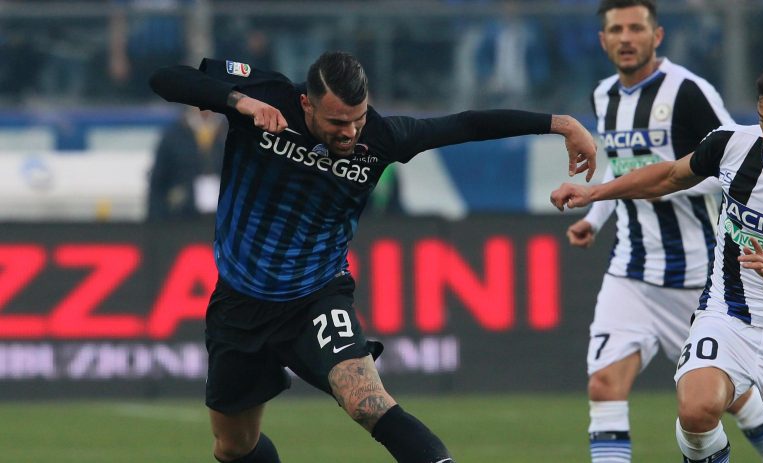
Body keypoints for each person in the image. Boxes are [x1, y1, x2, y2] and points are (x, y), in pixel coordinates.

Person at [150, 51, 597, 463]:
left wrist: (559, 123)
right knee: (233, 446)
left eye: (357, 120)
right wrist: (237, 102)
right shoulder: (267, 98)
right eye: (336, 122)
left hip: (316, 296)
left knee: (367, 402)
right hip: (240, 302)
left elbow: (466, 125)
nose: (349, 132)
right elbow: (166, 78)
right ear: (306, 104)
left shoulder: (383, 139)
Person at [552, 51, 763, 463]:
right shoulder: (732, 143)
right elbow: (667, 175)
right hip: (727, 316)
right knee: (696, 408)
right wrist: (595, 194)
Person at [570, 2, 763, 463]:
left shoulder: (689, 92)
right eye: (616, 29)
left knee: (732, 398)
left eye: (636, 28)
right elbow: (619, 163)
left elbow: (736, 165)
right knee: (604, 384)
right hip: (630, 272)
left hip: (697, 279)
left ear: (658, 35)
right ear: (603, 40)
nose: (626, 37)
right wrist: (593, 219)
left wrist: (665, 186)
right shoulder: (603, 95)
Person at [146, 106, 226, 221]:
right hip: (183, 216)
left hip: (225, 216)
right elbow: (158, 181)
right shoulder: (173, 134)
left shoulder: (230, 130)